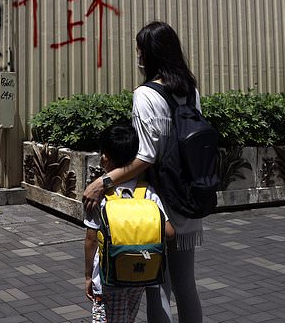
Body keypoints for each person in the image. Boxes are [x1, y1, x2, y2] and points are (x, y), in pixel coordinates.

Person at [82, 21, 204, 323]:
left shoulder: (146, 95)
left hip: (158, 201)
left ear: (149, 55)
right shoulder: (190, 91)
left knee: (156, 287)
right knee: (186, 286)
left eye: (140, 51)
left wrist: (103, 182)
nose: (138, 57)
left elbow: (146, 157)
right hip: (190, 196)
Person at [84, 124, 175, 323]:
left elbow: (91, 240)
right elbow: (169, 232)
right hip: (139, 274)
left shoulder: (99, 195)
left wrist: (88, 276)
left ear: (104, 159)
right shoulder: (147, 192)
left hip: (108, 279)